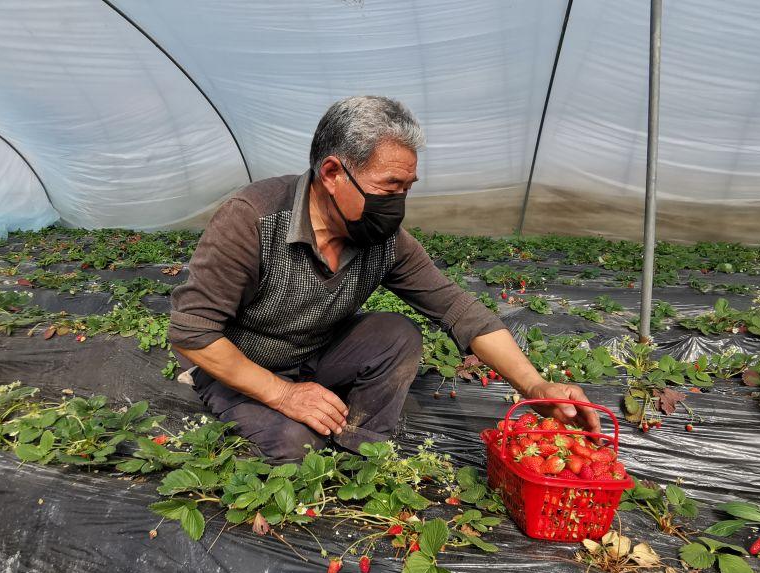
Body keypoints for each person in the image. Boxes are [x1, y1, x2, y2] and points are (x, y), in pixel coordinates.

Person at [169, 95, 599, 463]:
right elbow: (192, 333)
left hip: (316, 353)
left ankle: (364, 449)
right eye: (389, 187)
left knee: (397, 333)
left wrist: (537, 386)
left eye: (407, 188)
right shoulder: (252, 219)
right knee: (294, 445)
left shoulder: (383, 239)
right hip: (241, 365)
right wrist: (283, 395)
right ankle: (290, 423)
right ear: (333, 173)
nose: (398, 204)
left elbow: (456, 308)